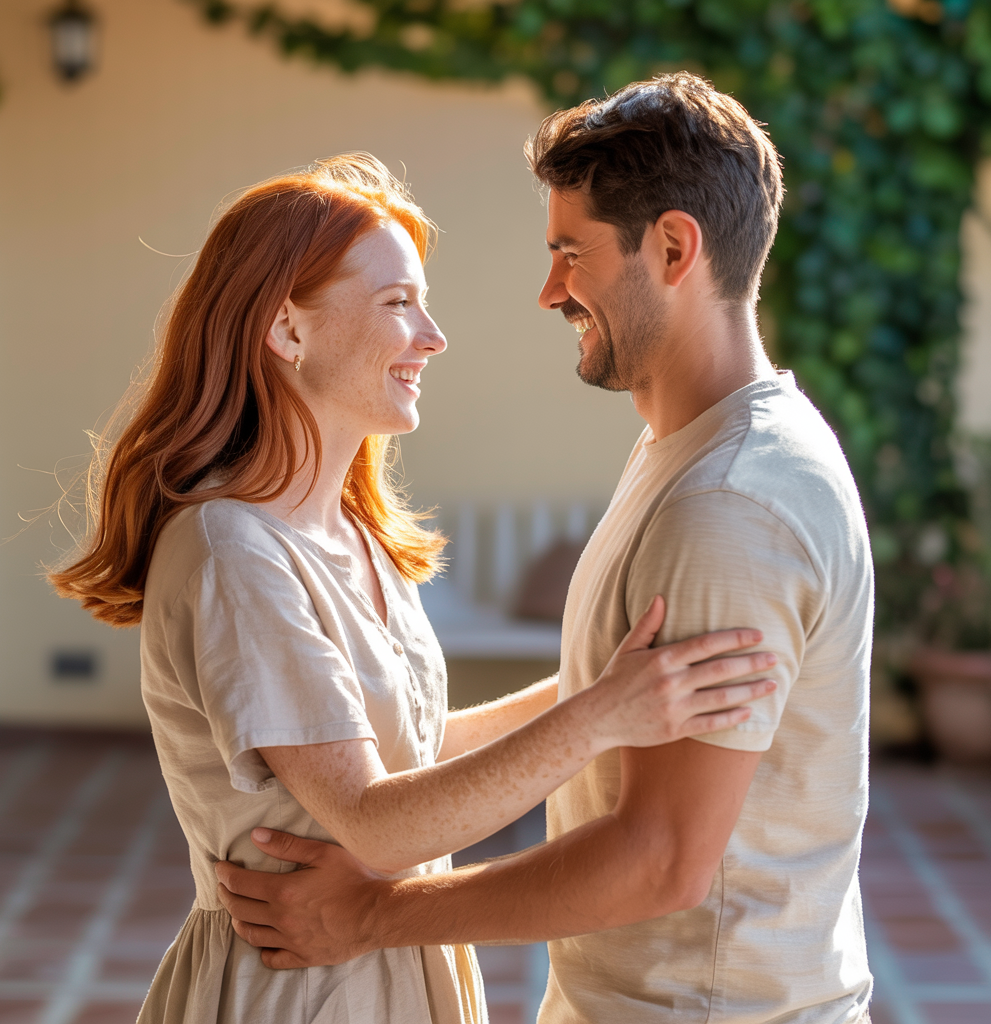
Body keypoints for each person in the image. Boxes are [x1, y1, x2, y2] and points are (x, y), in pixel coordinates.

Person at [49, 152, 778, 1024]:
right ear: (287, 330)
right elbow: (373, 820)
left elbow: (408, 748)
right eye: (399, 304)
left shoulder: (351, 531)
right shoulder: (231, 552)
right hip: (301, 987)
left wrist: (599, 686)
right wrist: (599, 718)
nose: (433, 336)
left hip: (384, 967)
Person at [215, 74, 875, 1024]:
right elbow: (614, 703)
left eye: (572, 253)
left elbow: (661, 859)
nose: (550, 290)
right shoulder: (686, 453)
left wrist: (369, 916)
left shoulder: (730, 503)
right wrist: (597, 707)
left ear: (674, 247)